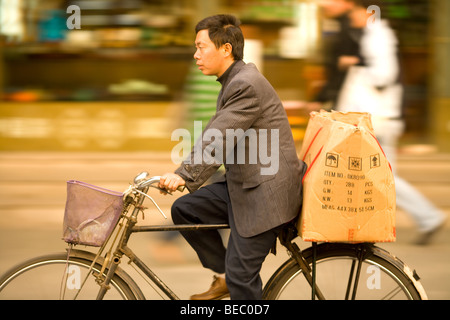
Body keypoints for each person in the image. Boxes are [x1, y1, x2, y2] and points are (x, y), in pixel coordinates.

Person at [158, 14, 306, 300]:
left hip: (266, 195)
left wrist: (184, 174)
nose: (195, 54)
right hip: (245, 184)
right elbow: (214, 132)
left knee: (242, 278)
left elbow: (220, 136)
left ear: (225, 49)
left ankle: (234, 278)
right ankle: (226, 275)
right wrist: (184, 172)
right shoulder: (232, 80)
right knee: (187, 210)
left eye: (201, 47)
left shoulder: (245, 84)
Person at [322, 0, 446, 244]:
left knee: (382, 177)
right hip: (376, 119)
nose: (353, 18)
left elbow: (384, 75)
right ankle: (422, 218)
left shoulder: (378, 35)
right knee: (377, 177)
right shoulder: (373, 34)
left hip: (379, 120)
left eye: (356, 13)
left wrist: (355, 64)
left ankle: (427, 217)